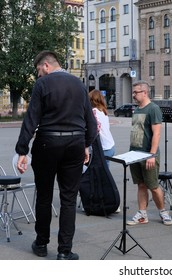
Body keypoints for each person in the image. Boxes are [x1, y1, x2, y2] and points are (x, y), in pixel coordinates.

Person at [15, 50, 97, 260]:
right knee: (69, 198)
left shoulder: (43, 85)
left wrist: (22, 150)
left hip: (47, 143)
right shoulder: (79, 84)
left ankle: (41, 244)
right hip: (74, 144)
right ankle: (64, 251)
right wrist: (86, 145)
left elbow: (31, 119)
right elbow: (91, 122)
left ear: (46, 66)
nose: (39, 76)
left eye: (39, 71)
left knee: (44, 196)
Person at [127, 80, 172, 226]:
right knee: (141, 184)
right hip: (134, 153)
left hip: (148, 155)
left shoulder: (153, 109)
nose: (133, 95)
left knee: (153, 186)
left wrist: (152, 155)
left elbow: (157, 134)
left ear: (145, 92)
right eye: (133, 92)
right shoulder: (137, 109)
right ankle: (142, 214)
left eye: (136, 92)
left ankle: (163, 212)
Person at [88, 89, 116, 164]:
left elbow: (93, 131)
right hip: (110, 146)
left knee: (97, 173)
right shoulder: (103, 111)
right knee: (105, 172)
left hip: (102, 148)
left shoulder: (93, 112)